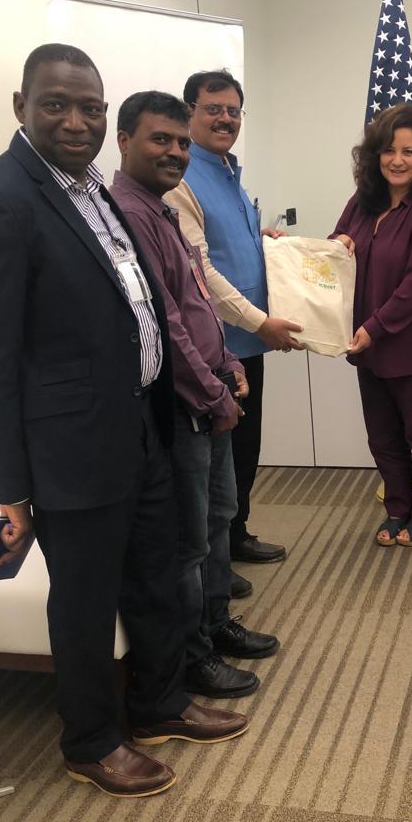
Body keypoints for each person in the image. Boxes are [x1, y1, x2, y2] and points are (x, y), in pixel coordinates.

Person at [0, 44, 247, 799]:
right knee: (84, 598)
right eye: (56, 105)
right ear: (21, 107)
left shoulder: (94, 190)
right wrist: (9, 485)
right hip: (70, 446)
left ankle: (159, 703)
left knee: (156, 575)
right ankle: (91, 740)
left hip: (141, 422)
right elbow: (0, 352)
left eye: (90, 108)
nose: (76, 121)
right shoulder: (8, 199)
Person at [110, 91, 279, 698]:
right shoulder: (126, 214)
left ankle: (213, 623)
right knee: (189, 541)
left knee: (216, 522)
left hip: (211, 386)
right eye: (162, 140)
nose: (176, 152)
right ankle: (193, 657)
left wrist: (229, 357)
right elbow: (166, 324)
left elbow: (198, 301)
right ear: (124, 139)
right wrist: (213, 391)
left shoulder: (161, 209)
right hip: (184, 405)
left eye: (181, 142)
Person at [165, 70, 302, 568]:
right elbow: (201, 272)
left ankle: (236, 536)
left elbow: (223, 247)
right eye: (213, 108)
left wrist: (261, 240)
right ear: (189, 113)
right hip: (215, 349)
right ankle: (217, 555)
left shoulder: (227, 171)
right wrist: (259, 322)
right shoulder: (181, 177)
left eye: (233, 110)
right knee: (217, 462)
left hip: (247, 345)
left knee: (244, 450)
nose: (225, 118)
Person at [330, 104, 412, 546]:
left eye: (408, 151)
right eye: (389, 150)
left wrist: (372, 328)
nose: (398, 160)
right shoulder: (362, 202)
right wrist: (328, 244)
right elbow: (334, 253)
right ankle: (397, 510)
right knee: (383, 437)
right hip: (371, 345)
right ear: (374, 155)